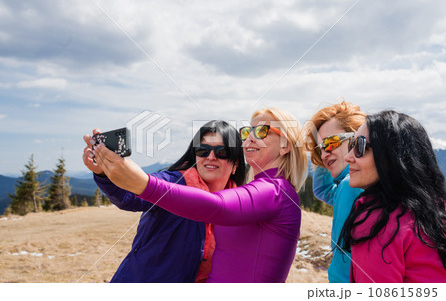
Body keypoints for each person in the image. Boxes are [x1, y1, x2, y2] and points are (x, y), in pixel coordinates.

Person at [91, 108, 308, 282]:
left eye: (261, 131)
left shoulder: (275, 191)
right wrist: (104, 173)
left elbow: (217, 208)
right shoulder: (181, 181)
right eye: (247, 131)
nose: (250, 138)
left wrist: (144, 183)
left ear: (285, 145)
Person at [82, 120, 246, 282]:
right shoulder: (174, 182)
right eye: (203, 150)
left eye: (221, 152)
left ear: (235, 164)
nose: (211, 157)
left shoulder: (242, 206)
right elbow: (129, 197)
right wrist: (105, 174)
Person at [339, 110, 446, 282]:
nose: (348, 157)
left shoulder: (378, 222)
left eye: (360, 146)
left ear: (391, 157)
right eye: (350, 145)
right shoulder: (441, 209)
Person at [305, 101, 366, 282]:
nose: (323, 155)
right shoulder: (362, 183)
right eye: (320, 149)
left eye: (332, 143)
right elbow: (323, 190)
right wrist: (326, 154)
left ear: (358, 138)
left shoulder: (350, 186)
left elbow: (343, 260)